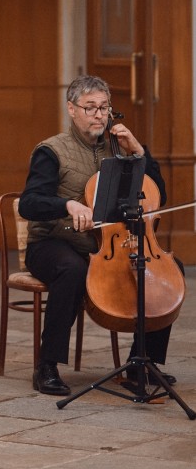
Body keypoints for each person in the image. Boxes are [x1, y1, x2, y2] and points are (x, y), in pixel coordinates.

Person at [19, 74, 180, 396]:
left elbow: (156, 194)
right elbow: (30, 203)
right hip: (55, 242)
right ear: (72, 109)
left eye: (104, 108)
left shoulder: (121, 149)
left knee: (164, 271)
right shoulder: (51, 151)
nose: (98, 115)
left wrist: (140, 155)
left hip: (110, 244)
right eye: (90, 107)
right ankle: (47, 365)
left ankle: (141, 362)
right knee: (72, 270)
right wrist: (68, 205)